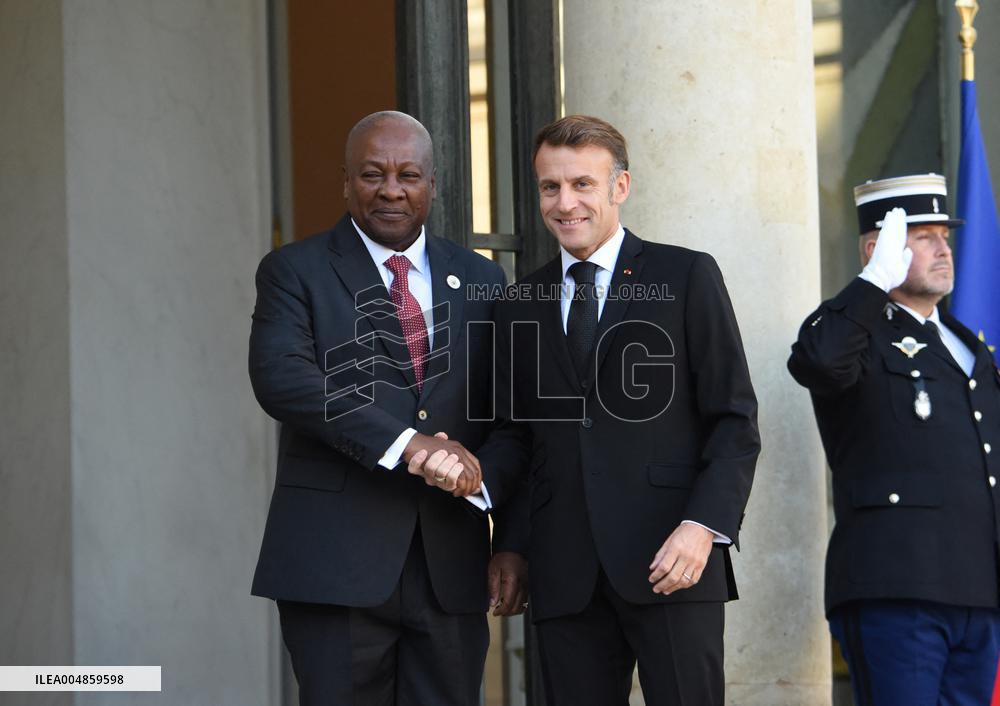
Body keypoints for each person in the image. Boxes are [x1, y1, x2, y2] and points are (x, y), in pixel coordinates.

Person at [475, 115, 760, 706]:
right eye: (551, 187)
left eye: (583, 184)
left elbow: (733, 420)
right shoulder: (517, 302)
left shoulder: (685, 275)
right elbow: (519, 438)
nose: (565, 202)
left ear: (620, 188)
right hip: (563, 573)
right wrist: (512, 543)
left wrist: (704, 528)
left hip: (673, 561)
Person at [248, 111, 527, 706]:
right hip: (334, 567)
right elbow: (284, 379)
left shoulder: (483, 278)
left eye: (408, 174)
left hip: (450, 566)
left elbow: (513, 417)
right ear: (346, 182)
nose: (391, 189)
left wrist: (485, 489)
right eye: (373, 174)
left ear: (433, 183)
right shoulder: (294, 271)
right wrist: (410, 445)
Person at [788, 173, 1000, 705]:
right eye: (922, 236)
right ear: (875, 248)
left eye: (944, 235)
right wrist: (872, 283)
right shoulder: (856, 331)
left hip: (977, 590)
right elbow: (818, 360)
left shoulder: (967, 347)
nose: (942, 248)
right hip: (896, 587)